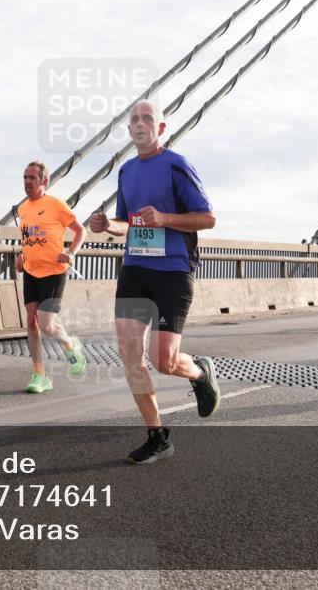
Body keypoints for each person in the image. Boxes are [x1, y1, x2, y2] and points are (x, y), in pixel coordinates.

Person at [89, 100, 219, 464]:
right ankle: (157, 435)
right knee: (131, 356)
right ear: (129, 131)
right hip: (134, 270)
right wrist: (107, 227)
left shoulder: (176, 164)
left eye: (148, 118)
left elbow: (207, 218)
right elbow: (126, 224)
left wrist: (163, 218)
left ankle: (199, 372)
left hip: (173, 273)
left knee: (163, 360)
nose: (140, 123)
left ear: (161, 129)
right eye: (134, 119)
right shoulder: (126, 171)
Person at [16, 161, 87, 393]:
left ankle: (69, 343)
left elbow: (80, 231)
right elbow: (29, 238)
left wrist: (70, 252)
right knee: (31, 322)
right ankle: (40, 375)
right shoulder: (23, 208)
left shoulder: (56, 205)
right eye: (25, 177)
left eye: (32, 178)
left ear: (44, 181)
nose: (27, 182)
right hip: (30, 271)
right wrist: (20, 254)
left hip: (54, 272)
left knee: (47, 325)